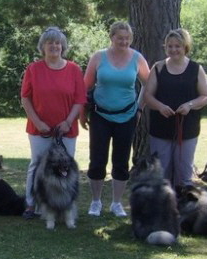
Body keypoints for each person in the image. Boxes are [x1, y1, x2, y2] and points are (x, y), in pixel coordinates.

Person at [80, 22, 151, 217]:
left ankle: (117, 203)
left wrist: (139, 109)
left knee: (121, 160)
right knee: (97, 159)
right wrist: (82, 113)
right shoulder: (98, 57)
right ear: (111, 37)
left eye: (127, 38)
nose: (124, 41)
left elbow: (149, 84)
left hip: (127, 116)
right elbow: (85, 88)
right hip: (100, 115)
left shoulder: (137, 58)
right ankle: (96, 202)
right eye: (120, 38)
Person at [21, 27, 86, 219]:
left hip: (66, 130)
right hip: (39, 129)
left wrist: (67, 122)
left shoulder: (74, 70)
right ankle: (31, 204)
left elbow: (80, 100)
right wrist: (38, 122)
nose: (54, 46)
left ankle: (63, 206)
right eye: (50, 42)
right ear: (43, 47)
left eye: (58, 43)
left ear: (63, 46)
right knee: (37, 165)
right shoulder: (33, 69)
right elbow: (26, 98)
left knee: (64, 168)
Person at [144, 28, 207, 188]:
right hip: (161, 128)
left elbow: (206, 96)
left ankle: (183, 209)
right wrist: (160, 106)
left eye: (177, 46)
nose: (173, 50)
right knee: (161, 174)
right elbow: (147, 96)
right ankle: (162, 209)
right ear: (165, 47)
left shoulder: (196, 69)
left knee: (184, 174)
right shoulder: (158, 68)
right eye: (170, 46)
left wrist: (189, 105)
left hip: (187, 128)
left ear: (185, 47)